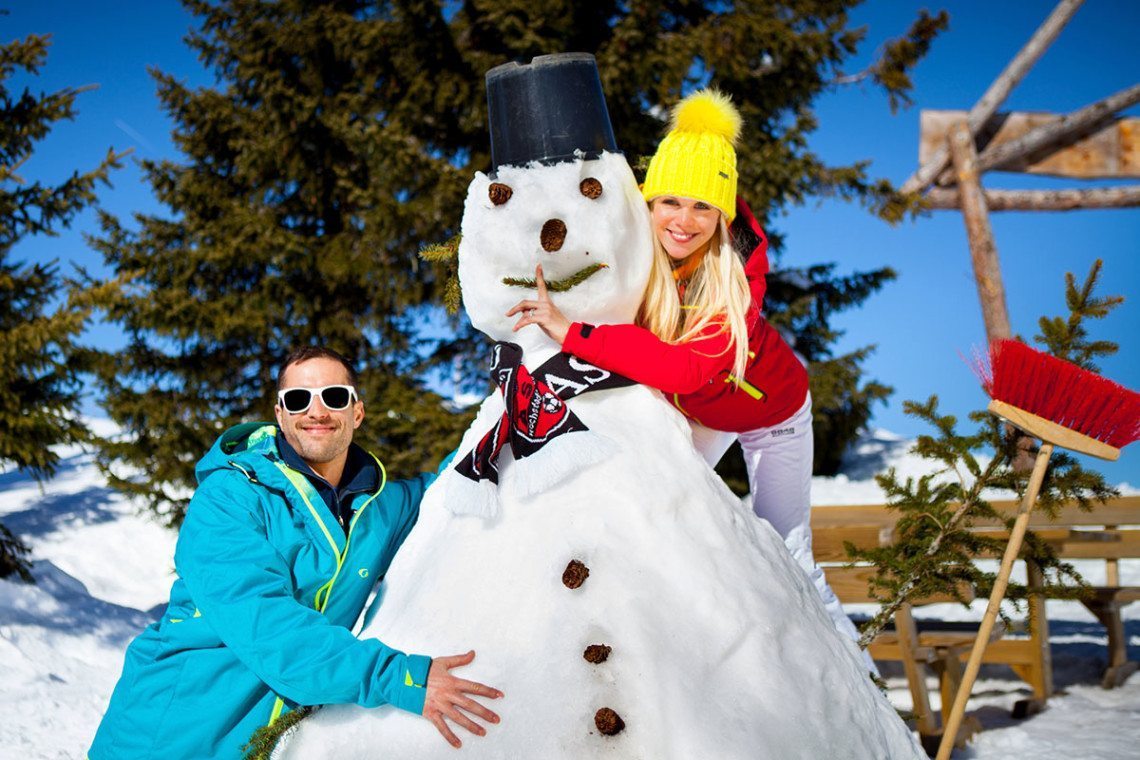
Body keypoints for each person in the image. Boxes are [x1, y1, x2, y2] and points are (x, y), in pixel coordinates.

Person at [507, 89, 865, 654]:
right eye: (670, 200)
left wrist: (575, 334)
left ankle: (855, 677)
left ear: (723, 216)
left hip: (773, 414)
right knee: (657, 506)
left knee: (787, 548)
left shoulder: (734, 280)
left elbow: (688, 370)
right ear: (648, 203)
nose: (684, 219)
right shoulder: (635, 256)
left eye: (703, 206)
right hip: (699, 412)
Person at [90, 347, 502, 758]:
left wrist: (526, 388)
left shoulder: (378, 507)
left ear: (356, 412)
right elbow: (267, 626)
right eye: (298, 399)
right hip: (169, 735)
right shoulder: (230, 497)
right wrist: (399, 678)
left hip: (265, 741)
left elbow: (453, 486)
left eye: (334, 396)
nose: (317, 411)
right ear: (281, 414)